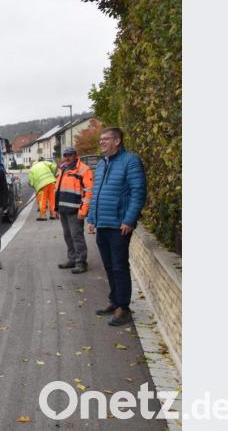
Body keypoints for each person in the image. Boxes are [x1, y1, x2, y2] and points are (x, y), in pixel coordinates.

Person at [87, 127, 147, 326]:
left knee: (120, 267)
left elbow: (138, 192)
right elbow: (95, 193)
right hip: (102, 223)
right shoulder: (101, 164)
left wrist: (129, 220)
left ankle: (124, 308)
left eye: (106, 139)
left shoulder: (131, 161)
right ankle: (114, 301)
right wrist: (91, 218)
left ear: (117, 141)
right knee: (108, 265)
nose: (101, 142)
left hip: (119, 225)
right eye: (101, 139)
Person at [54, 147, 94, 274]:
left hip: (76, 210)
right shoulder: (62, 168)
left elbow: (88, 192)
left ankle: (81, 262)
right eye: (65, 155)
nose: (67, 158)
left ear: (75, 155)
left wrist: (83, 210)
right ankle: (72, 259)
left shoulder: (84, 169)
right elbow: (57, 189)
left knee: (77, 236)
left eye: (70, 155)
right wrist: (55, 208)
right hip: (63, 209)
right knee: (67, 236)